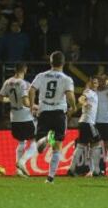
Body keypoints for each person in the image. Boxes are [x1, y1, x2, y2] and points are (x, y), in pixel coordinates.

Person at [29, 51, 77, 183]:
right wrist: (73, 107)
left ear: (51, 62)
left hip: (44, 112)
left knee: (39, 144)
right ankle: (50, 178)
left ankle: (44, 139)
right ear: (63, 63)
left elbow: (32, 90)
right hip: (59, 113)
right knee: (58, 146)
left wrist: (32, 104)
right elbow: (70, 95)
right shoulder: (66, 79)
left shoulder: (41, 76)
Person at [0, 63, 37, 177]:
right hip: (25, 115)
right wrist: (33, 106)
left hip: (14, 116)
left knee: (21, 142)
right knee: (35, 142)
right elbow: (25, 102)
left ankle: (18, 171)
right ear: (25, 69)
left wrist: (10, 100)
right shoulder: (23, 83)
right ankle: (22, 162)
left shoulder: (8, 82)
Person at [68, 76, 100, 177]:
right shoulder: (88, 92)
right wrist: (85, 103)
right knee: (96, 143)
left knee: (81, 146)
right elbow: (81, 98)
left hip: (84, 122)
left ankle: (71, 169)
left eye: (96, 83)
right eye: (93, 83)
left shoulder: (94, 93)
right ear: (89, 84)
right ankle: (95, 171)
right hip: (88, 122)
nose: (94, 85)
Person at [95, 74, 108, 177]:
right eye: (99, 80)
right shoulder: (95, 91)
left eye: (103, 80)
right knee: (96, 146)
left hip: (107, 121)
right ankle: (97, 170)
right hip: (96, 122)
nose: (101, 83)